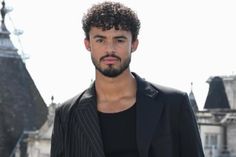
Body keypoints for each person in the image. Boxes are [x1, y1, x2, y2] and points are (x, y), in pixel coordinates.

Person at [50, 1, 205, 157]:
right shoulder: (67, 115)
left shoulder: (174, 104)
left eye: (119, 40)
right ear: (87, 44)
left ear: (134, 44)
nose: (110, 49)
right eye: (100, 40)